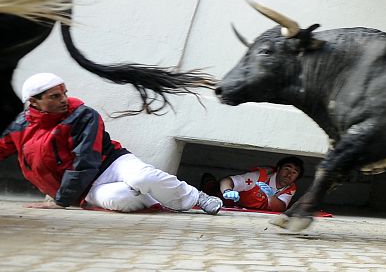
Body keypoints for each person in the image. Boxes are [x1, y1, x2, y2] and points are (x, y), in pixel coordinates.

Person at [0, 73, 223, 214]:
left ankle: (195, 197)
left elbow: (86, 161)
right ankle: (161, 199)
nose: (64, 100)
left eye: (64, 94)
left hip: (112, 164)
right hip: (86, 190)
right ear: (33, 102)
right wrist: (63, 195)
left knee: (142, 177)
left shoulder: (83, 116)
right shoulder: (19, 127)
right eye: (55, 97)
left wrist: (61, 200)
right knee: (122, 199)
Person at [205, 156, 303, 212]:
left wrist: (271, 197)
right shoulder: (260, 177)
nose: (289, 174)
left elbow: (280, 208)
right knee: (210, 189)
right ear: (278, 169)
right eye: (287, 169)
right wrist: (228, 191)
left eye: (294, 172)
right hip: (226, 202)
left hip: (249, 212)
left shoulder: (290, 188)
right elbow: (227, 180)